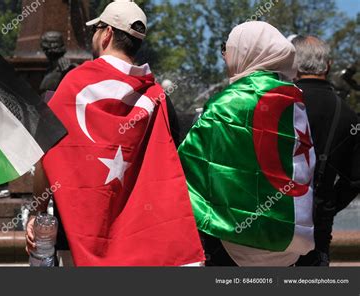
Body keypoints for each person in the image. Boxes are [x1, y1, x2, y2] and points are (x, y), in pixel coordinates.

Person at [26, 0, 203, 266]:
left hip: (77, 239)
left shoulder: (73, 86)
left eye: (97, 28)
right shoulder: (158, 98)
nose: (94, 35)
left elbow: (45, 154)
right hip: (142, 245)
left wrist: (37, 211)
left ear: (107, 34)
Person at [178, 21, 316, 266]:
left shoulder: (229, 103)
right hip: (289, 238)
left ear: (247, 50)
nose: (224, 55)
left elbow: (189, 163)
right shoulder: (294, 99)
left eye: (228, 47)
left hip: (233, 239)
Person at [291, 36, 360, 266]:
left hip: (275, 219)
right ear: (328, 65)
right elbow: (355, 179)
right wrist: (328, 204)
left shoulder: (277, 104)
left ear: (294, 65)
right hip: (318, 226)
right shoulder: (349, 115)